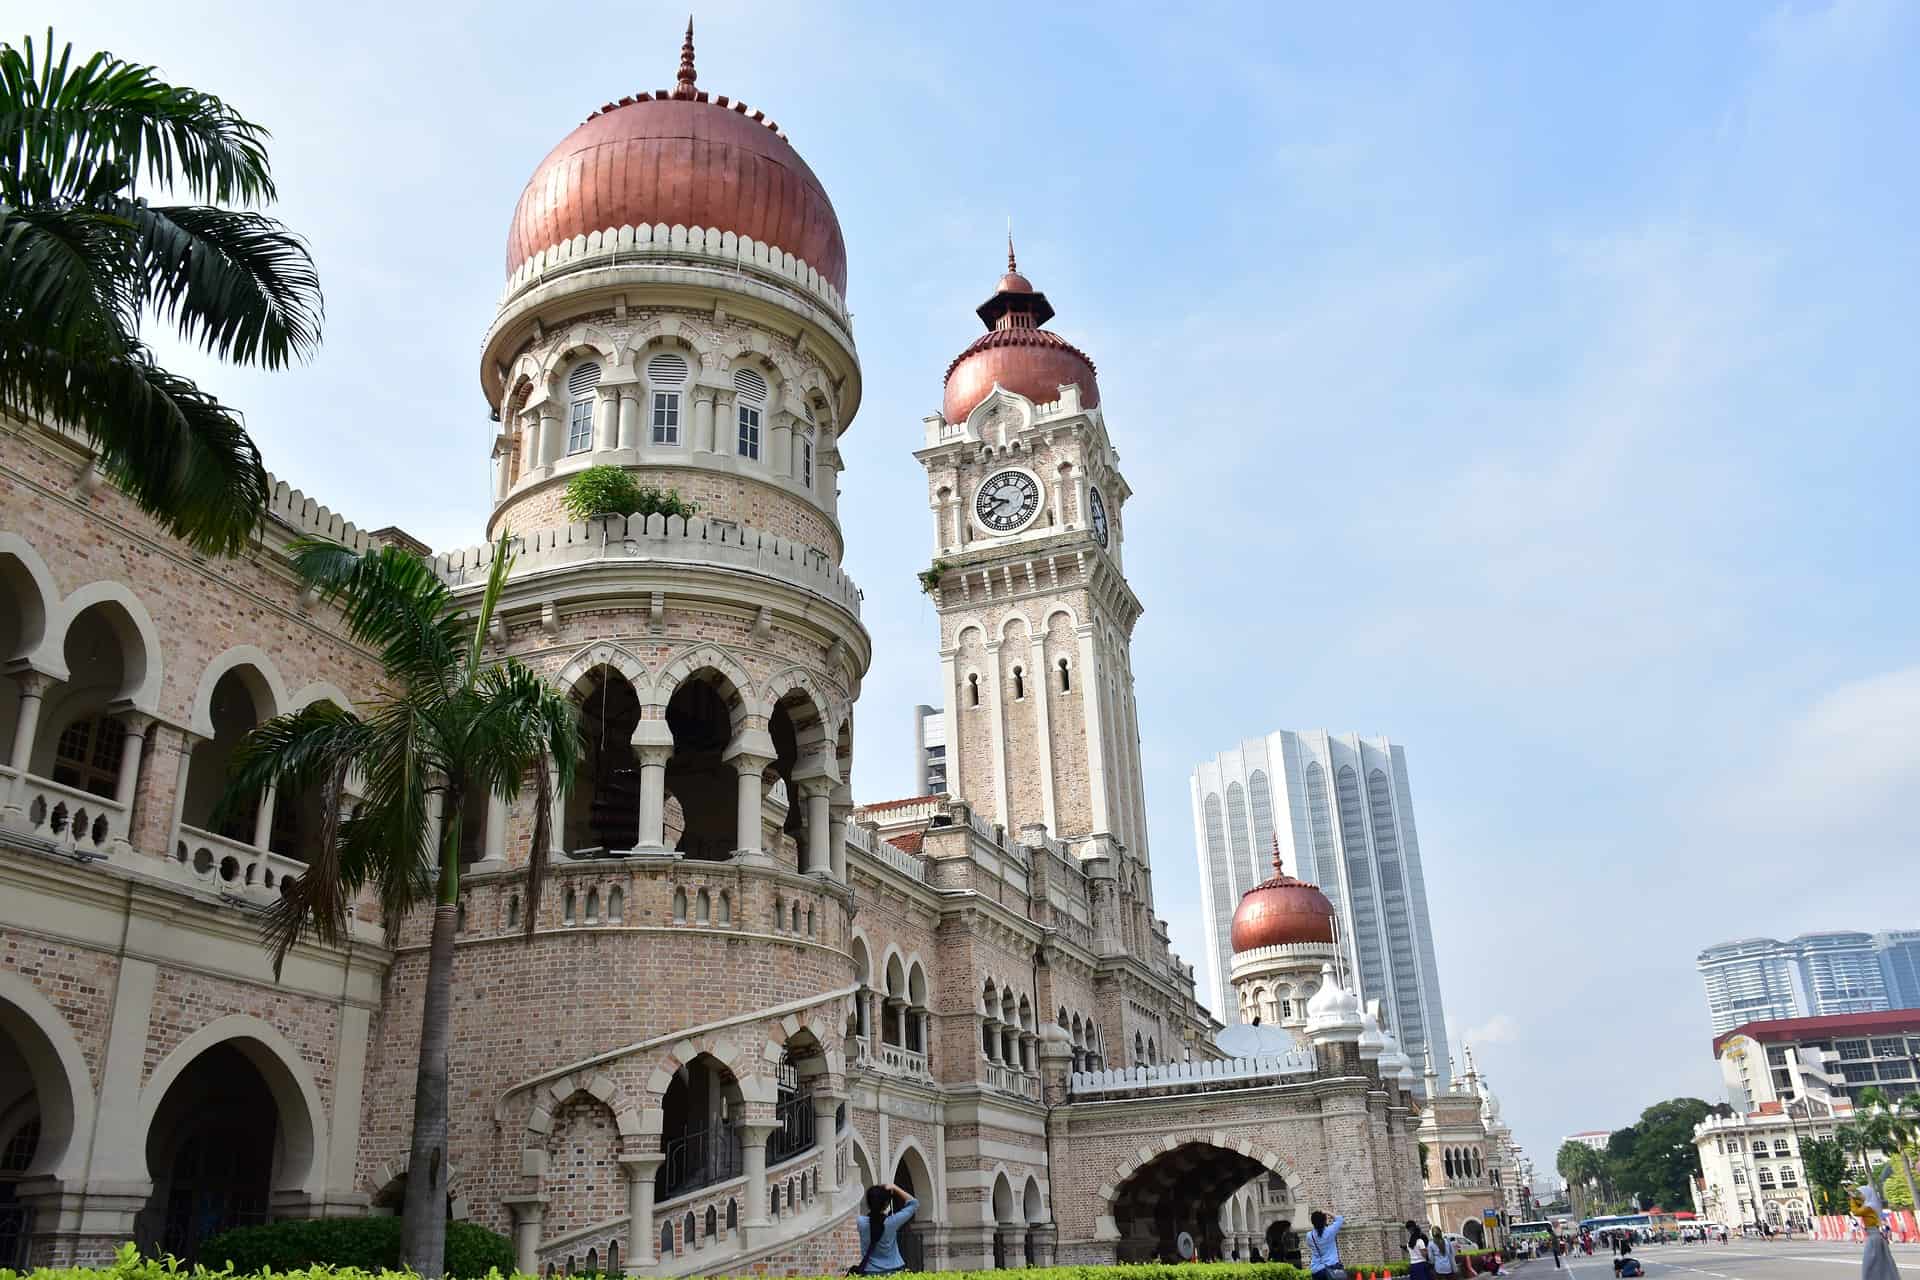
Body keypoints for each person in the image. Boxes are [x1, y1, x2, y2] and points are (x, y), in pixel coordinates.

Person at [852, 1182, 918, 1275]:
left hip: (870, 1272)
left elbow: (874, 1220)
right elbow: (914, 1204)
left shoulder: (861, 1222)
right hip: (894, 1272)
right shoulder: (892, 1222)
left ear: (868, 1203)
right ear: (887, 1204)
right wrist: (895, 1187)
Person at [1307, 1210, 1345, 1280]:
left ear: (1312, 1222)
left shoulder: (1309, 1235)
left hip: (1317, 1270)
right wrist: (1327, 1212)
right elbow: (1340, 1219)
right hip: (1332, 1269)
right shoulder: (1330, 1231)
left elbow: (1311, 1246)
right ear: (1324, 1221)